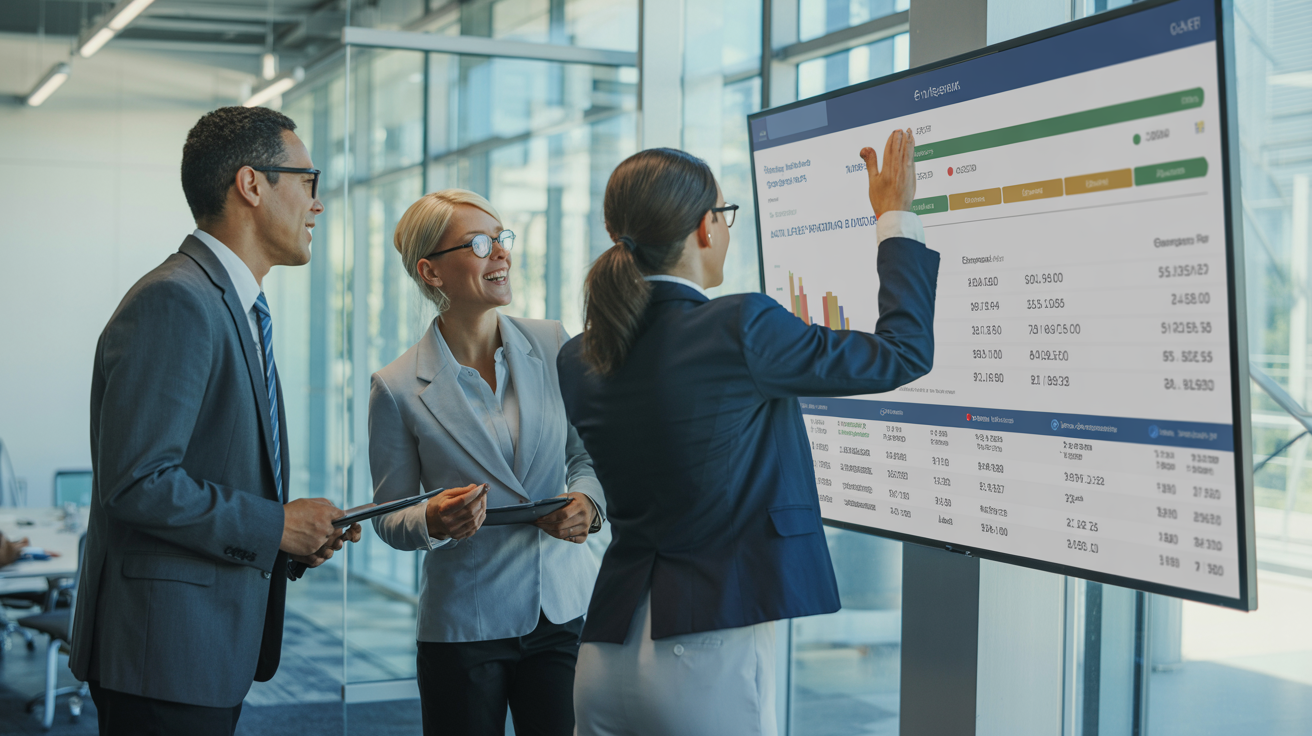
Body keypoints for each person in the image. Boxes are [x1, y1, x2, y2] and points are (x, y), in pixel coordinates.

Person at [556, 129, 937, 736]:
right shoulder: (739, 324)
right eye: (725, 215)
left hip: (606, 651)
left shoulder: (579, 354)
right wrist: (895, 216)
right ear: (706, 227)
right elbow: (902, 353)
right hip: (706, 651)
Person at [69, 106, 363, 736]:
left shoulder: (231, 303)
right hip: (162, 654)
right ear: (252, 184)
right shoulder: (177, 300)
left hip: (197, 647)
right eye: (308, 180)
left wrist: (289, 539)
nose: (317, 203)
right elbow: (138, 484)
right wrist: (276, 526)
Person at [369, 189, 607, 736]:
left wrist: (588, 504)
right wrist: (431, 519)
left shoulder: (551, 343)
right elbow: (389, 514)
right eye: (479, 243)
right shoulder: (398, 386)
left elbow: (586, 454)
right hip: (466, 624)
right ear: (431, 271)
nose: (500, 253)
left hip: (563, 611)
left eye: (502, 238)